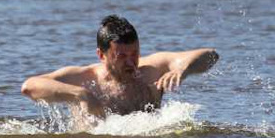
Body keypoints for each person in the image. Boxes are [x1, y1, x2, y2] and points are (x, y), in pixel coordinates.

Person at [21, 15, 218, 118]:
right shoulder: (85, 79)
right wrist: (80, 95)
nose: (131, 62)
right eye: (121, 56)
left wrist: (182, 70)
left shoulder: (151, 71)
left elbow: (211, 55)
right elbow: (29, 86)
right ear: (101, 55)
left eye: (135, 53)